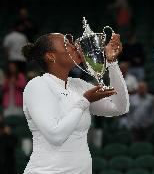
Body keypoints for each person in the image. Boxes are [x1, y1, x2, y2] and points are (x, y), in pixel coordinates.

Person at [22, 32, 129, 174]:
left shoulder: (78, 85)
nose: (76, 47)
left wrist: (112, 63)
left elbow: (120, 107)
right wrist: (84, 101)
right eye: (67, 44)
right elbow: (56, 135)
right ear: (51, 56)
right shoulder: (38, 85)